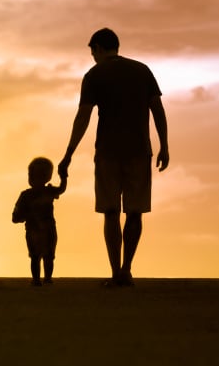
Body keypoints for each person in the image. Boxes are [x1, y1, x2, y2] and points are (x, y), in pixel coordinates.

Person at [58, 28, 169, 287]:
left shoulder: (94, 75)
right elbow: (158, 109)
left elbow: (83, 116)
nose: (93, 57)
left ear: (97, 47)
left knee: (110, 212)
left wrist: (68, 154)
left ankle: (115, 270)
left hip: (108, 152)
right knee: (135, 212)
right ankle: (127, 269)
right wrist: (164, 145)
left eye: (92, 52)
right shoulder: (142, 71)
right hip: (140, 151)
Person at [12, 157, 67, 286]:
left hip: (46, 230)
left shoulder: (46, 191)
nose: (31, 178)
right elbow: (16, 216)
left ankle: (46, 278)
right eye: (30, 175)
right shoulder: (28, 195)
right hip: (35, 230)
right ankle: (38, 279)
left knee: (46, 256)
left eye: (34, 175)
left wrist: (64, 178)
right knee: (36, 256)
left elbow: (61, 190)